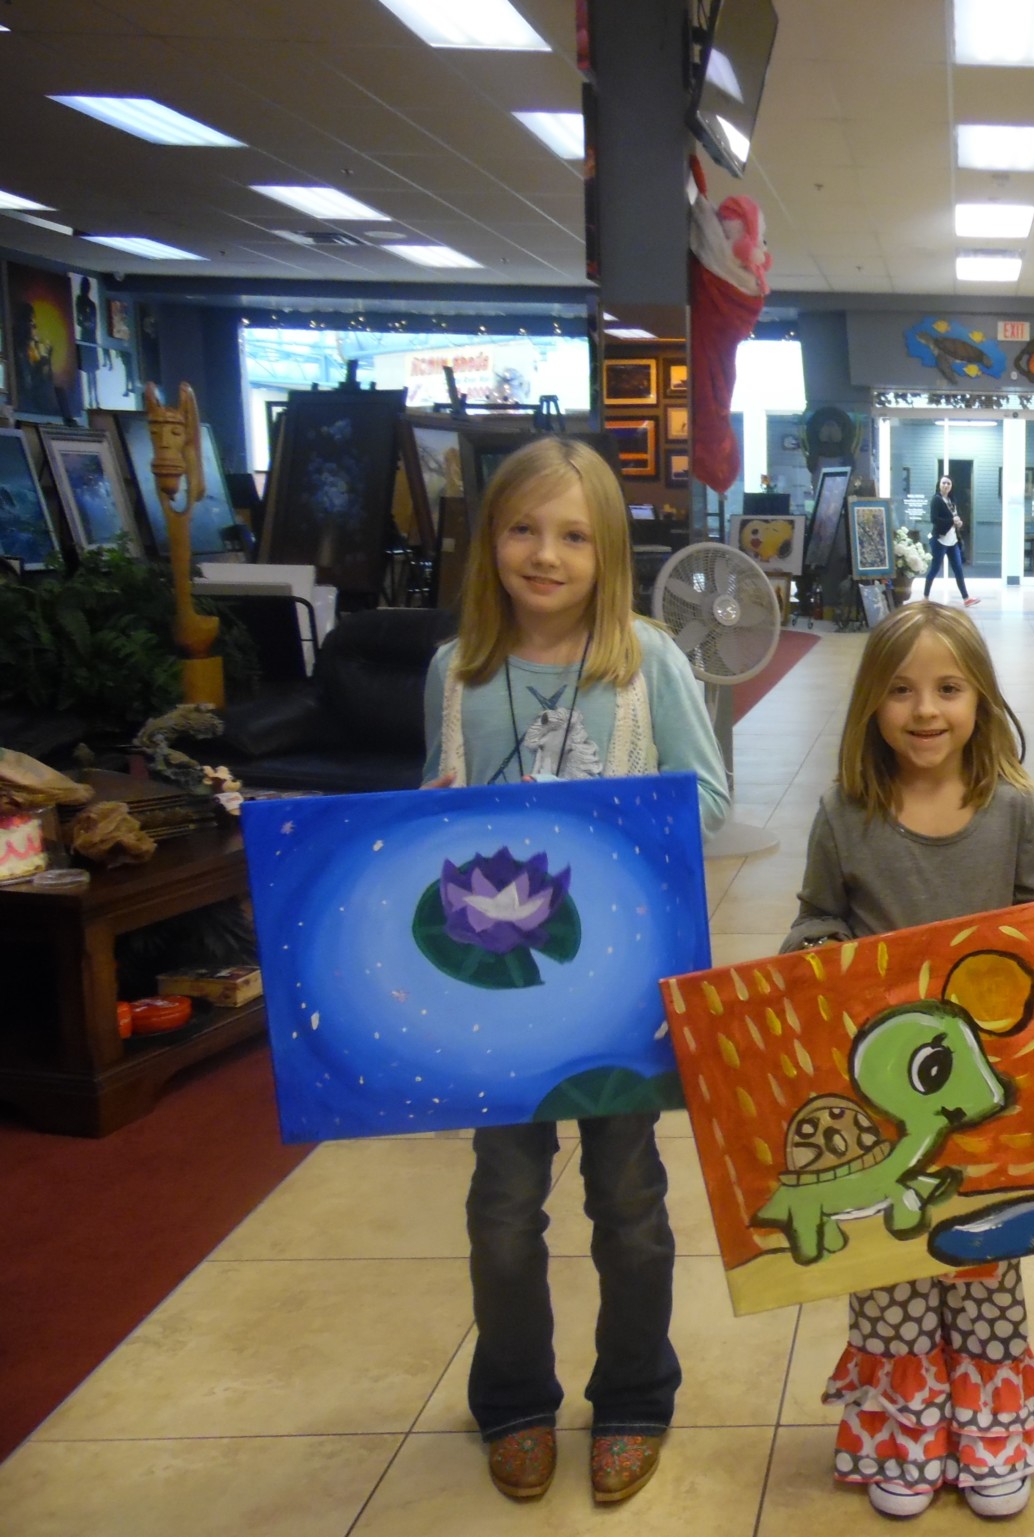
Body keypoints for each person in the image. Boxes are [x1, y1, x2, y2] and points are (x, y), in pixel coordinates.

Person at [420, 435, 730, 1505]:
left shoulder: (649, 663)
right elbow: (429, 812)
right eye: (522, 529)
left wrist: (601, 824)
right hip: (497, 995)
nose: (544, 555)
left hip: (613, 991)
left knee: (628, 1198)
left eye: (572, 535)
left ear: (608, 554)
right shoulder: (457, 673)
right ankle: (512, 1397)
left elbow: (708, 799)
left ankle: (636, 1393)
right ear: (489, 541)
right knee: (502, 1206)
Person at [781, 601, 1034, 1520]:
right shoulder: (844, 812)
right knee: (888, 1266)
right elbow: (815, 913)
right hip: (880, 1099)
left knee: (985, 1263)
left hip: (983, 1097)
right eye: (900, 690)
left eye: (948, 688)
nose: (925, 709)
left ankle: (992, 1432)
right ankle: (905, 1432)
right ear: (871, 702)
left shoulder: (1014, 808)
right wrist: (816, 954)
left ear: (982, 700)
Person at [924, 475, 978, 605]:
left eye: (948, 483)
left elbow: (954, 517)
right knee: (935, 569)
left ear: (951, 486)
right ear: (939, 484)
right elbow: (934, 519)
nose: (946, 485)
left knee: (958, 569)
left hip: (953, 541)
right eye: (944, 483)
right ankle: (925, 597)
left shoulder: (951, 500)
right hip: (940, 540)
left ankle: (966, 598)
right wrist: (951, 521)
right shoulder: (936, 500)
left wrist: (958, 522)